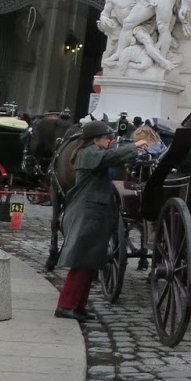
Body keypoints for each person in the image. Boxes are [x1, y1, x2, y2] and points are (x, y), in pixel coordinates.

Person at [53, 118, 139, 322]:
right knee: (81, 262)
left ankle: (78, 306)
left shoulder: (93, 152)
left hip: (94, 212)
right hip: (86, 212)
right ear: (95, 139)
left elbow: (111, 156)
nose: (108, 140)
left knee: (89, 262)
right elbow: (110, 156)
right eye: (105, 137)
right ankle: (65, 305)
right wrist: (135, 145)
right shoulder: (88, 153)